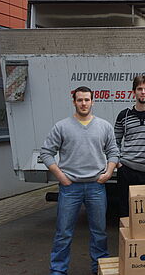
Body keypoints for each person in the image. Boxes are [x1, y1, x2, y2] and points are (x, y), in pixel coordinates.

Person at [40, 86, 119, 275]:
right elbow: (46, 153)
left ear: (93, 101)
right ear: (74, 102)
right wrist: (61, 177)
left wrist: (108, 173)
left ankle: (98, 269)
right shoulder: (62, 126)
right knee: (64, 233)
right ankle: (58, 270)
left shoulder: (104, 126)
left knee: (99, 232)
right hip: (70, 188)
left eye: (87, 100)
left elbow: (114, 152)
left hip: (96, 187)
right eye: (80, 100)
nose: (83, 103)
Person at [114, 75, 145, 218]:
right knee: (125, 212)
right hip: (126, 171)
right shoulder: (124, 115)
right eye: (139, 89)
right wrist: (118, 163)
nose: (143, 92)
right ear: (134, 92)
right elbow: (114, 141)